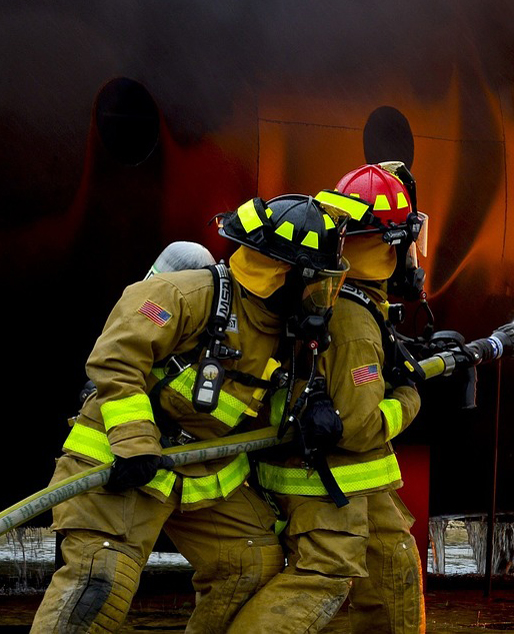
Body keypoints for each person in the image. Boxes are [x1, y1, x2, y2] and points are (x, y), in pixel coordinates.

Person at [32, 195, 349, 633]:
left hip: (200, 472)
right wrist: (135, 442)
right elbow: (116, 360)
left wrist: (311, 406)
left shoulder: (285, 330)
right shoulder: (185, 295)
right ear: (283, 274)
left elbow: (267, 399)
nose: (323, 298)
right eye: (318, 283)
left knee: (249, 565)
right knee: (100, 584)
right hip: (123, 462)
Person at [230, 164, 427, 633]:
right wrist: (409, 396)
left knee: (393, 562)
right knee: (323, 579)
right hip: (327, 478)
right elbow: (359, 426)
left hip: (349, 477)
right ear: (392, 243)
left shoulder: (337, 294)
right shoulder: (354, 320)